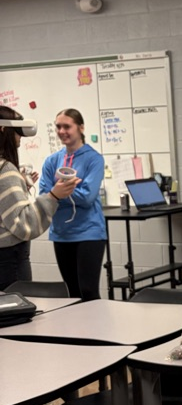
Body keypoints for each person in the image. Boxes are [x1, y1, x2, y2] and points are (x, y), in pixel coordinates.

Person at [0, 106, 79, 290]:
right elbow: (23, 223)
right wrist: (53, 196)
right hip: (8, 263)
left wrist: (19, 189)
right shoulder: (6, 170)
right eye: (17, 131)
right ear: (3, 129)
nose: (20, 138)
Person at [39, 108, 106, 301]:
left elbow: (87, 197)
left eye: (67, 126)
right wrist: (65, 190)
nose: (62, 131)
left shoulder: (94, 159)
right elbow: (45, 196)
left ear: (81, 128)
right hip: (61, 233)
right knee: (72, 294)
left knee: (88, 291)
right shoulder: (52, 161)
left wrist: (58, 192)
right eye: (58, 127)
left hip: (88, 233)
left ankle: (96, 323)